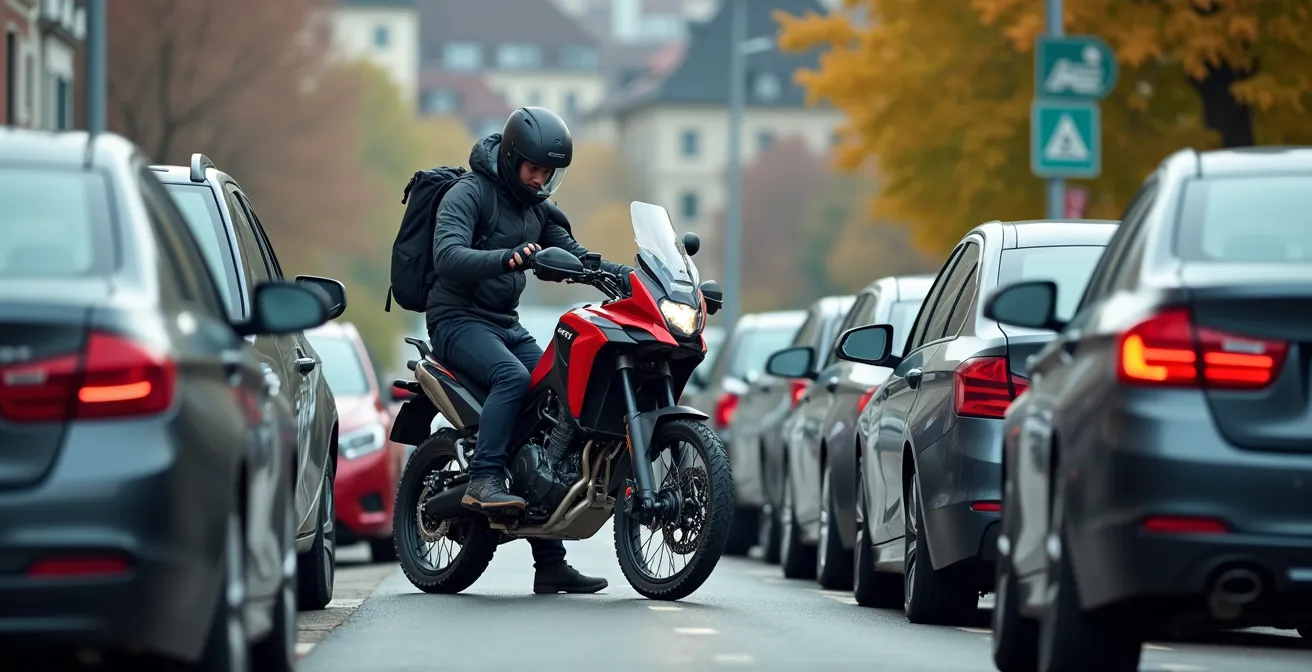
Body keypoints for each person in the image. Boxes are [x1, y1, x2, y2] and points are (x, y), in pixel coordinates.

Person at [426, 107, 631, 595]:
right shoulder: (468, 194)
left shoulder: (537, 209)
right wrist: (509, 257)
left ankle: (550, 562)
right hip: (456, 319)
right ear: (513, 158)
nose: (540, 179)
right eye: (533, 169)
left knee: (553, 397)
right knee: (513, 379)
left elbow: (578, 256)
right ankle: (484, 478)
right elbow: (447, 255)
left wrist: (635, 278)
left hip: (502, 323)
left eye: (549, 172)